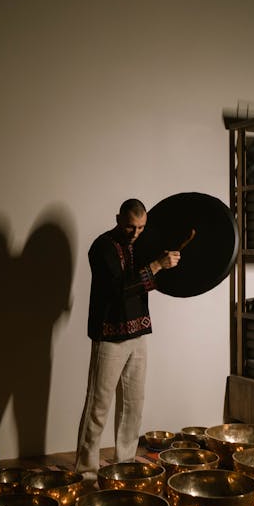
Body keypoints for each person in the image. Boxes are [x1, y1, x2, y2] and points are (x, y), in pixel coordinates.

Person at [75, 198, 180, 483]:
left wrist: (170, 261)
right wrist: (157, 265)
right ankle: (86, 471)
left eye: (142, 227)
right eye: (131, 227)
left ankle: (124, 463)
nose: (136, 233)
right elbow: (121, 288)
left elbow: (161, 279)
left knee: (133, 404)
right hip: (109, 334)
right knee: (98, 405)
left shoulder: (142, 244)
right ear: (119, 219)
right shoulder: (102, 247)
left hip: (138, 333)